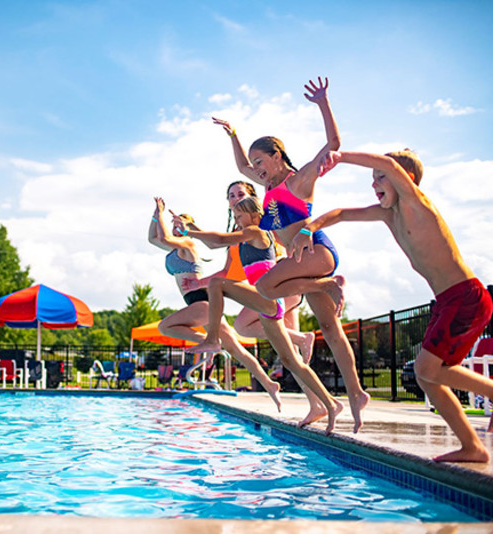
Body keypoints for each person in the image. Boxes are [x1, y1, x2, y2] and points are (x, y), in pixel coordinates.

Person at [291, 149, 493, 462]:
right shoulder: (388, 214)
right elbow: (343, 213)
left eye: (380, 177)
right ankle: (473, 447)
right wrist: (309, 228)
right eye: (372, 180)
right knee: (428, 376)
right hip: (446, 302)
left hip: (465, 297)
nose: (375, 183)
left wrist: (341, 156)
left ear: (406, 179)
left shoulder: (416, 203)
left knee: (428, 369)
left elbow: (386, 162)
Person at [212, 77, 369, 433]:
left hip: (316, 252)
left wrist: (323, 103)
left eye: (260, 160)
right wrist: (234, 134)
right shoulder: (267, 185)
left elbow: (333, 144)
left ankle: (330, 283)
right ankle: (356, 394)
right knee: (329, 328)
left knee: (266, 289)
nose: (255, 167)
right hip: (303, 261)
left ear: (277, 155)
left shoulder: (298, 181)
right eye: (253, 162)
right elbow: (239, 167)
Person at [178, 197, 342, 432]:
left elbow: (217, 241)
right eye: (234, 217)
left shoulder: (257, 232)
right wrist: (189, 228)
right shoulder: (245, 239)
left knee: (216, 285)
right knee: (291, 361)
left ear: (255, 216)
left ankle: (213, 339)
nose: (237, 221)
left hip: (268, 298)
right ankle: (329, 404)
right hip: (266, 306)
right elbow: (220, 248)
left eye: (240, 216)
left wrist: (190, 231)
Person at [149, 196, 282, 409]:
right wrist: (156, 216)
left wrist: (165, 218)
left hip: (200, 301)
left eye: (178, 226)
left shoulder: (187, 243)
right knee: (237, 349)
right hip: (202, 304)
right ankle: (269, 384)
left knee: (166, 327)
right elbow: (153, 239)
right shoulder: (175, 248)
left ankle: (210, 343)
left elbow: (163, 238)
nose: (175, 229)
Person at [182, 180, 315, 362]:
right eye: (232, 195)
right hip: (267, 289)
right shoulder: (238, 234)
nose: (236, 199)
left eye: (241, 194)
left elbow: (290, 237)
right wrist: (198, 282)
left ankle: (302, 339)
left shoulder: (262, 224)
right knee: (292, 358)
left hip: (282, 285)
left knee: (243, 326)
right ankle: (303, 352)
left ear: (253, 198)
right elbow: (227, 270)